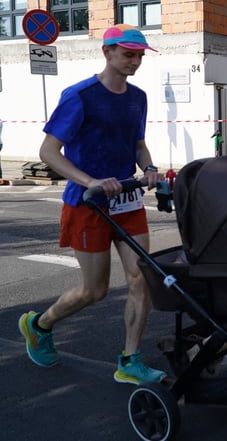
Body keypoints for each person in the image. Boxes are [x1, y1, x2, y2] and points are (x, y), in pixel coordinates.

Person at [18, 24, 167, 384]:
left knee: (141, 278)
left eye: (139, 56)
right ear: (107, 52)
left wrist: (148, 167)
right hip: (87, 204)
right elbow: (48, 152)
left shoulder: (138, 97)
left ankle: (129, 360)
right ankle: (40, 325)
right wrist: (91, 182)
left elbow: (138, 144)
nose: (135, 62)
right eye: (128, 54)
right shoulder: (80, 96)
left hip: (127, 201)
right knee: (94, 291)